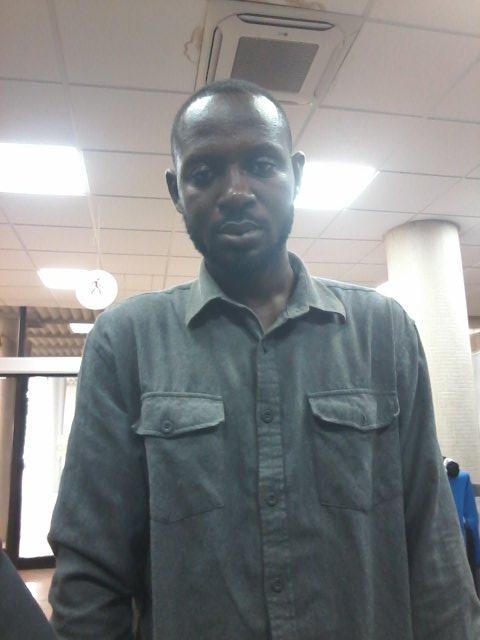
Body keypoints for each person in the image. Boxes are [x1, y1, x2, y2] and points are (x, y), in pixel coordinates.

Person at [48, 79, 480, 639]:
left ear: (295, 175)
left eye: (260, 165)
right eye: (204, 172)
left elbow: (435, 550)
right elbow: (90, 578)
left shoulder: (383, 332)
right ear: (176, 190)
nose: (235, 191)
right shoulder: (126, 343)